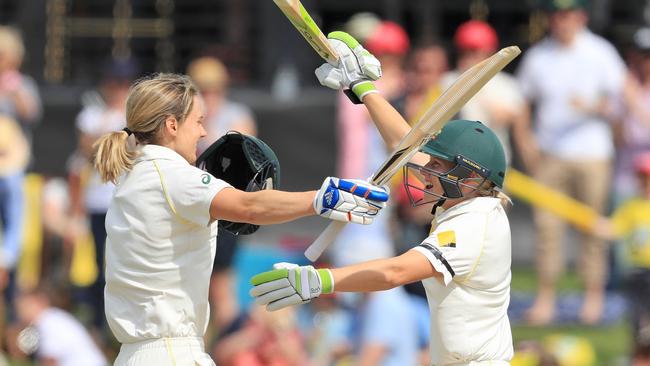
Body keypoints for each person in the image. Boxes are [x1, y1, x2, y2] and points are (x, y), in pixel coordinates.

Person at [252, 32, 514, 365]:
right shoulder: (471, 200)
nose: (425, 171)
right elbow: (402, 148)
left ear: (472, 177)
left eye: (437, 165)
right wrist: (364, 89)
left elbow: (395, 272)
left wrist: (319, 280)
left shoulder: (474, 225)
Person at [92, 73, 389, 365]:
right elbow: (249, 206)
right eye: (197, 121)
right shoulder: (171, 174)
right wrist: (324, 198)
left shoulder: (132, 178)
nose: (203, 133)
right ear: (172, 125)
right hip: (171, 353)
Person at [516, 0, 626, 325]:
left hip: (593, 153)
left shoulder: (601, 52)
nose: (561, 21)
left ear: (581, 16)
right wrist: (529, 149)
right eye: (556, 15)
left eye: (567, 15)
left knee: (592, 228)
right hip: (551, 154)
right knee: (546, 229)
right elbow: (523, 104)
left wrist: (594, 107)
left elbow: (618, 101)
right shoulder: (538, 56)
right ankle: (546, 299)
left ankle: (592, 300)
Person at [331, 19, 421, 366]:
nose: (384, 60)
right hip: (363, 186)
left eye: (389, 55)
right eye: (378, 52)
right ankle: (362, 340)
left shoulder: (391, 91)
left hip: (386, 189)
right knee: (360, 266)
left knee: (382, 268)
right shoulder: (361, 90)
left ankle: (386, 344)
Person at [186, 56, 257, 334]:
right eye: (203, 90)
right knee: (194, 287)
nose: (209, 96)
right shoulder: (184, 120)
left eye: (214, 89)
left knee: (220, 285)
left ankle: (229, 349)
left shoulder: (236, 114)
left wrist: (208, 123)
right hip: (195, 208)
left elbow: (244, 155)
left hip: (224, 208)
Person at [66, 58, 138, 331]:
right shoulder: (92, 114)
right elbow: (88, 150)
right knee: (98, 267)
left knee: (126, 265)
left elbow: (127, 148)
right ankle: (99, 324)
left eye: (125, 84)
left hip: (128, 202)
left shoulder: (130, 117)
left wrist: (107, 139)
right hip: (98, 203)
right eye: (116, 83)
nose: (120, 89)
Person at [444, 20, 537, 169]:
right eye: (465, 51)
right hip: (454, 161)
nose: (469, 57)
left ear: (489, 52)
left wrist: (477, 82)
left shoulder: (506, 84)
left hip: (491, 166)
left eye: (475, 52)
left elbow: (504, 118)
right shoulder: (447, 80)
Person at [592, 152, 650, 349]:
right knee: (637, 314)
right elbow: (614, 228)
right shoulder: (631, 207)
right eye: (643, 178)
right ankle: (639, 350)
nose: (646, 184)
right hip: (637, 271)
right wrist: (597, 225)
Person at [13, 284, 107, 366]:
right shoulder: (53, 317)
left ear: (39, 302)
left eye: (25, 306)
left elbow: (50, 361)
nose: (21, 313)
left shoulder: (47, 321)